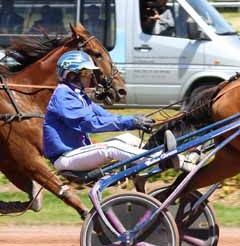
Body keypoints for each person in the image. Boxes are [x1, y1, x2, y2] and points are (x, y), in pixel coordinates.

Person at [43, 50, 190, 173]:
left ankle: (181, 160)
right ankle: (161, 160)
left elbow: (106, 116)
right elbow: (90, 123)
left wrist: (136, 121)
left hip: (78, 153)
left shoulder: (78, 94)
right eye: (86, 73)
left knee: (127, 138)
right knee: (112, 148)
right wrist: (130, 121)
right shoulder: (63, 96)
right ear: (71, 75)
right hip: (66, 157)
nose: (90, 77)